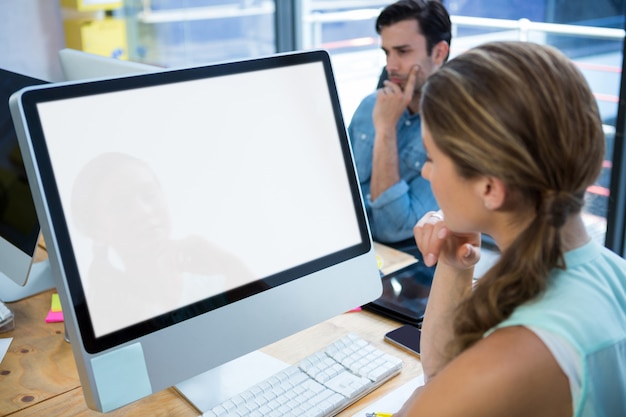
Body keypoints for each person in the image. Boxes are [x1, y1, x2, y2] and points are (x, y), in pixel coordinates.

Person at [394, 41, 626, 416]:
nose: (425, 171)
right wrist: (456, 266)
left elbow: (440, 392)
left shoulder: (513, 359)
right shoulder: (612, 273)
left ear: (490, 188)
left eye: (433, 159)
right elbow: (444, 377)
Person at [71, 152, 254, 335]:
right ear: (96, 231)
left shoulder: (219, 281)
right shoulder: (103, 317)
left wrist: (231, 266)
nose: (143, 211)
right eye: (121, 205)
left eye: (149, 195)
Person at [348, 0, 451, 252]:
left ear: (438, 53)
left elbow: (393, 228)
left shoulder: (452, 131)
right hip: (350, 248)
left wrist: (386, 130)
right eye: (386, 52)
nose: (390, 66)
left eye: (403, 52)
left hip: (407, 262)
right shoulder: (369, 105)